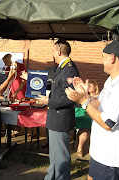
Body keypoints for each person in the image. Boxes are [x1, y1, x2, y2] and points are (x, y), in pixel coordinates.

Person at [65, 41, 119, 180]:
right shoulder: (112, 81)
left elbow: (108, 123)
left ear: (112, 57)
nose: (102, 61)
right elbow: (98, 103)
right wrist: (84, 94)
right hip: (100, 153)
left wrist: (83, 102)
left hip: (111, 158)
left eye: (102, 57)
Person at [35, 39, 79, 180]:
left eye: (53, 50)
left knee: (61, 155)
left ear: (59, 51)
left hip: (61, 118)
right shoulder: (62, 67)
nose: (52, 53)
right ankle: (51, 176)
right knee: (54, 153)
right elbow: (55, 86)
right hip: (56, 117)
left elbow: (71, 96)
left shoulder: (69, 68)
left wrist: (49, 101)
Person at [76, 79, 99, 157]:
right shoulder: (85, 96)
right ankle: (80, 147)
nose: (88, 87)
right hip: (85, 116)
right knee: (85, 131)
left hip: (96, 117)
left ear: (95, 87)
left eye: (90, 86)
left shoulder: (100, 96)